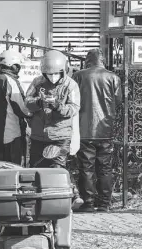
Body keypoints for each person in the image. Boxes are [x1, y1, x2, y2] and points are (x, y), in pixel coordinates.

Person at [25, 50, 83, 208]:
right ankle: (38, 199)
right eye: (48, 74)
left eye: (56, 74)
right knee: (36, 167)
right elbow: (27, 101)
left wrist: (58, 106)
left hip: (60, 135)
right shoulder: (37, 83)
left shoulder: (71, 85)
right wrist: (38, 103)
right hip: (38, 134)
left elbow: (74, 108)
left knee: (57, 166)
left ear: (64, 70)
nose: (52, 77)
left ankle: (69, 196)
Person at [73, 49, 122, 212]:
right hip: (105, 129)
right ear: (103, 60)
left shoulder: (79, 76)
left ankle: (87, 202)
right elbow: (118, 101)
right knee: (105, 167)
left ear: (88, 60)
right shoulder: (113, 77)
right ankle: (104, 203)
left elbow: (72, 99)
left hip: (84, 128)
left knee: (86, 167)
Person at [0, 50, 30, 165]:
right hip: (11, 134)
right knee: (13, 169)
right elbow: (22, 108)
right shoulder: (10, 81)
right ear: (12, 65)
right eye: (18, 66)